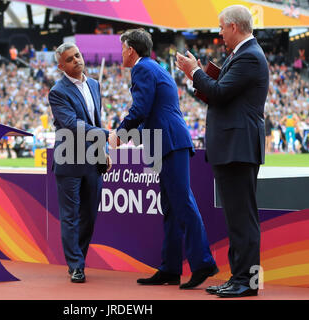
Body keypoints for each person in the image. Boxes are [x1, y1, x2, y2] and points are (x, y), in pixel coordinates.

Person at [109, 29, 218, 289]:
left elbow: (141, 108)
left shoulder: (142, 69)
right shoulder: (152, 68)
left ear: (131, 50)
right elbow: (149, 111)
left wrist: (120, 134)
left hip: (169, 142)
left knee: (182, 203)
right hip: (165, 142)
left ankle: (203, 263)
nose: (121, 52)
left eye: (122, 47)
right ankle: (170, 268)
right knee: (171, 208)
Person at [176, 5, 269, 297]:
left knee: (243, 219)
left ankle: (248, 282)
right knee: (237, 218)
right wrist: (202, 78)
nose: (218, 33)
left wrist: (194, 73)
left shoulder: (250, 57)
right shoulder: (241, 55)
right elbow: (220, 94)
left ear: (233, 26)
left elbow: (219, 93)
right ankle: (239, 278)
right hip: (233, 146)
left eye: (220, 27)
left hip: (238, 147)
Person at [48, 43, 111, 283]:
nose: (76, 60)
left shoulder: (94, 84)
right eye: (70, 59)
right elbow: (73, 124)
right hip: (69, 160)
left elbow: (95, 118)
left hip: (93, 160)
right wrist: (106, 134)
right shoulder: (57, 91)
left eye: (77, 55)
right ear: (61, 66)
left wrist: (103, 151)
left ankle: (79, 259)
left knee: (89, 216)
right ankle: (75, 265)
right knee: (70, 216)